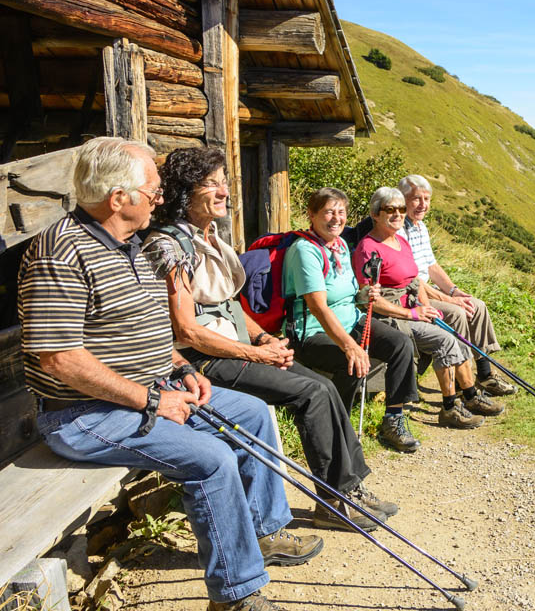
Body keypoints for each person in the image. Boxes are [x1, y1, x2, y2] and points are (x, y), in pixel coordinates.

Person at [19, 137, 319, 611]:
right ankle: (235, 595)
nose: (160, 200)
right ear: (120, 198)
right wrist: (151, 400)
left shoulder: (131, 247)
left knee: (253, 413)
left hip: (152, 390)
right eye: (154, 192)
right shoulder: (62, 251)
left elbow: (152, 331)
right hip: (83, 414)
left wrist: (179, 368)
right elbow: (59, 359)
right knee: (212, 458)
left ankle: (264, 534)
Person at [142, 147, 398, 531]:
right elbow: (187, 330)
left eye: (223, 183)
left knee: (322, 387)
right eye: (211, 184)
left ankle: (347, 489)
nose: (224, 192)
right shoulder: (170, 245)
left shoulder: (208, 238)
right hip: (202, 359)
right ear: (185, 191)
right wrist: (254, 354)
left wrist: (263, 338)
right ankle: (337, 500)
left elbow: (227, 304)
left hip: (236, 347)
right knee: (310, 394)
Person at [353, 187, 503, 429]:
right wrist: (413, 313)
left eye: (401, 209)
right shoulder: (369, 249)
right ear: (375, 214)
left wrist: (424, 305)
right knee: (445, 340)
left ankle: (467, 396)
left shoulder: (400, 241)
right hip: (391, 316)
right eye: (390, 209)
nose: (398, 214)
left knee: (452, 330)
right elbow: (368, 300)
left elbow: (414, 281)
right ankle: (451, 407)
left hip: (412, 308)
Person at [283, 187, 419, 453]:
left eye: (341, 212)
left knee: (400, 343)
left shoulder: (341, 245)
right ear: (311, 215)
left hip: (351, 321)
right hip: (311, 332)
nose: (336, 218)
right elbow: (319, 308)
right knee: (353, 361)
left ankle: (394, 418)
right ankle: (337, 428)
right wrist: (349, 345)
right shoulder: (305, 251)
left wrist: (365, 294)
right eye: (329, 212)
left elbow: (349, 296)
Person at [397, 174, 515, 396]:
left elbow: (432, 266)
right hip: (414, 295)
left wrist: (454, 290)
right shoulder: (399, 230)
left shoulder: (420, 226)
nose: (423, 204)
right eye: (416, 199)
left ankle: (484, 372)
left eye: (427, 199)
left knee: (476, 305)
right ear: (402, 199)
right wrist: (450, 300)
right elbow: (415, 280)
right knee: (457, 311)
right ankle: (463, 382)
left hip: (427, 290)